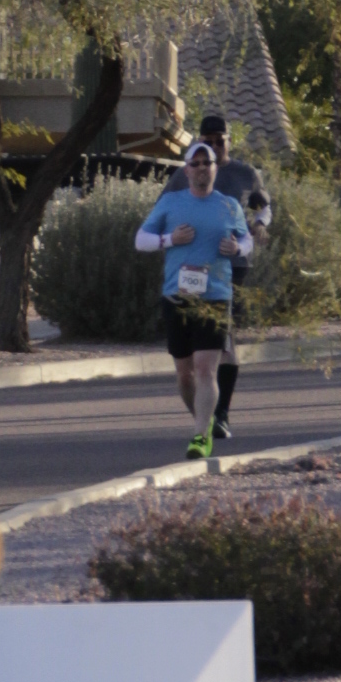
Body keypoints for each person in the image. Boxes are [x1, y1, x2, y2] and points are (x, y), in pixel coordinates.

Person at [159, 113, 272, 451]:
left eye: (219, 141)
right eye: (207, 141)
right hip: (192, 266)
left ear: (228, 141)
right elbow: (162, 209)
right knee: (196, 345)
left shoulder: (244, 173)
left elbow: (264, 207)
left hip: (231, 263)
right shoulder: (185, 173)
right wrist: (171, 238)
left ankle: (220, 414)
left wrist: (260, 224)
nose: (214, 147)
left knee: (225, 334)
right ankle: (206, 416)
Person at [138, 139, 254, 459]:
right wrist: (169, 239)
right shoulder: (171, 202)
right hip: (177, 296)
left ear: (215, 169)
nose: (202, 168)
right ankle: (205, 418)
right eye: (196, 164)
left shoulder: (229, 205)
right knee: (185, 374)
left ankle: (201, 436)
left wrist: (238, 249)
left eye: (207, 163)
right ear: (187, 170)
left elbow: (247, 240)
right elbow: (141, 239)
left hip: (215, 295)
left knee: (205, 369)